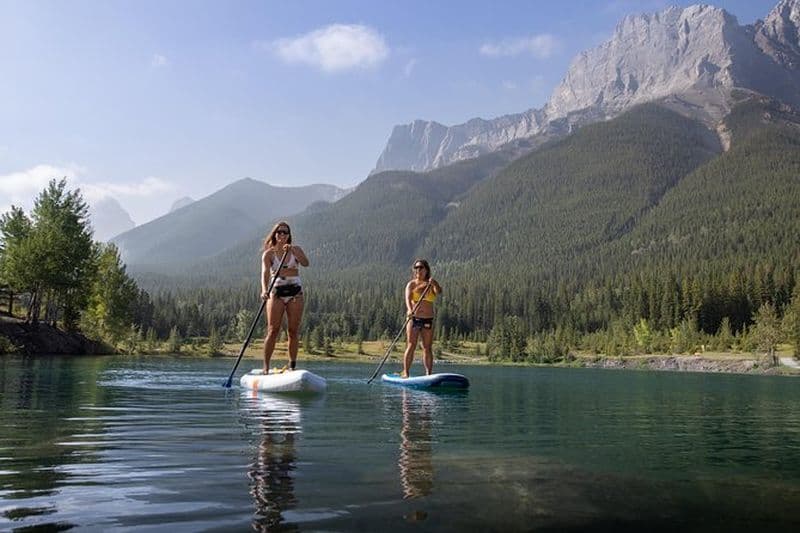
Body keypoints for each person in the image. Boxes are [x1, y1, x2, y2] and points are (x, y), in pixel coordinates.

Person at [261, 221, 309, 373]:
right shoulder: (269, 254)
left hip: (295, 293)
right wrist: (264, 290)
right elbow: (265, 274)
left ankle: (292, 365)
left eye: (285, 232)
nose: (282, 234)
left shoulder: (296, 250)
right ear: (275, 235)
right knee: (273, 330)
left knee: (293, 331)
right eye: (279, 232)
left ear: (289, 235)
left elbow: (306, 263)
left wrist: (293, 250)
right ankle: (266, 367)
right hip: (276, 293)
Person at [402, 259, 442, 378]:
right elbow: (407, 299)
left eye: (421, 267)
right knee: (411, 345)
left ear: (426, 270)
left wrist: (435, 284)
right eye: (416, 268)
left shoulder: (430, 284)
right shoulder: (411, 284)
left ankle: (428, 373)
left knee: (427, 347)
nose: (418, 270)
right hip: (414, 318)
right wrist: (410, 310)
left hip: (427, 319)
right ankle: (406, 372)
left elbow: (439, 292)